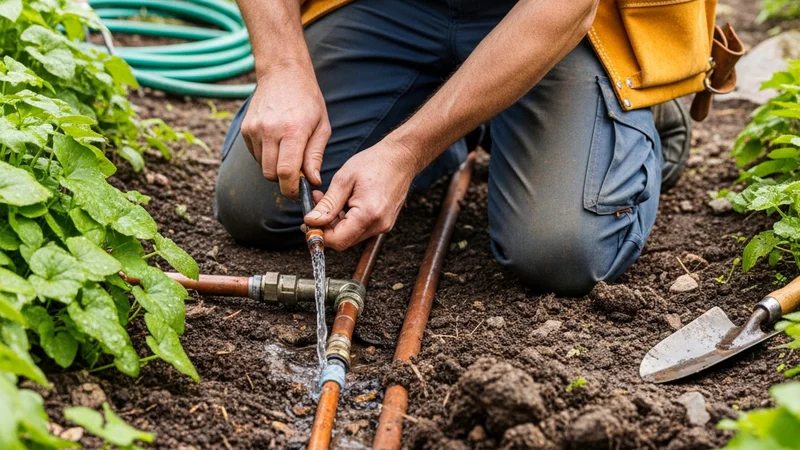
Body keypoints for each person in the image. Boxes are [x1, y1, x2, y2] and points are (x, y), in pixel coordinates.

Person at [215, 0, 705, 296]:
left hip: (564, 21)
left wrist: (405, 152)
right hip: (395, 9)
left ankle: (645, 110)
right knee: (257, 204)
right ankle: (459, 123)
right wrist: (282, 68)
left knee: (562, 253)